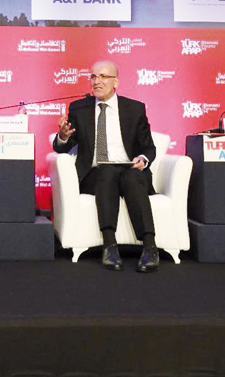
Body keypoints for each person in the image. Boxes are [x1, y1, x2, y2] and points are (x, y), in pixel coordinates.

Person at [53, 60, 159, 273]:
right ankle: (109, 246)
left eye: (103, 76)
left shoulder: (134, 109)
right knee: (106, 170)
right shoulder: (79, 109)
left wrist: (142, 159)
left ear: (116, 81)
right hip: (96, 175)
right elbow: (63, 148)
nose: (96, 81)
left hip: (129, 170)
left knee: (133, 176)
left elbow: (149, 148)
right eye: (92, 77)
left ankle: (150, 247)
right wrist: (63, 137)